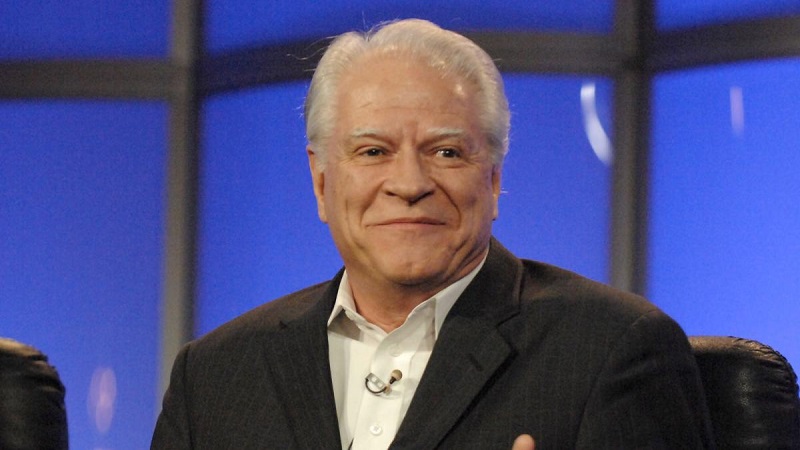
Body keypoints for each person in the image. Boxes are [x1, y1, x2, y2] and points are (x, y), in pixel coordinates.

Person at [151, 19, 714, 449]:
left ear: (493, 179)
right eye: (373, 152)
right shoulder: (215, 377)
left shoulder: (612, 350)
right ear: (321, 182)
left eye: (446, 152)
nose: (410, 184)